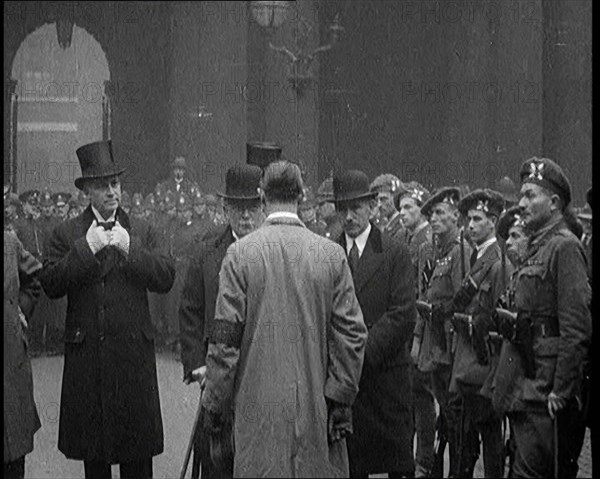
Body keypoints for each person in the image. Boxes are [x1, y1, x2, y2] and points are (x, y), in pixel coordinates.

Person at [201, 161, 367, 477]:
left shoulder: (240, 254)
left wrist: (215, 403)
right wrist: (340, 397)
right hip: (316, 411)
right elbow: (353, 335)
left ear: (262, 196)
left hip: (257, 414)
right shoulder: (331, 255)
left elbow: (224, 341)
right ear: (302, 195)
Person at [39, 140, 175, 479]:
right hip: (89, 366)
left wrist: (131, 250)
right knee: (95, 462)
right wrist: (86, 250)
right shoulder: (67, 233)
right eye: (102, 185)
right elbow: (50, 284)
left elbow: (166, 277)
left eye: (115, 184)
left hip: (133, 365)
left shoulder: (142, 230)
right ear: (87, 190)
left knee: (138, 460)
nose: (112, 192)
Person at [504, 157, 591, 478]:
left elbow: (576, 325)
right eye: (521, 195)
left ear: (554, 203)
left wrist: (562, 390)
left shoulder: (564, 248)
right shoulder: (539, 247)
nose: (521, 203)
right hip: (528, 382)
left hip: (547, 391)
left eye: (530, 196)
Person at [179, 164, 265, 478]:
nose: (246, 216)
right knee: (215, 460)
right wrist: (196, 364)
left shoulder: (272, 252)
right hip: (215, 377)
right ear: (225, 208)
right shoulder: (205, 253)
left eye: (253, 207)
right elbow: (190, 311)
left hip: (259, 375)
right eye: (239, 208)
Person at [331, 170, 417, 478]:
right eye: (343, 208)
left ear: (371, 206)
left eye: (356, 207)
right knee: (348, 466)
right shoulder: (327, 253)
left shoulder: (395, 253)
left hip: (383, 379)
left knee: (390, 464)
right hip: (342, 384)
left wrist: (361, 353)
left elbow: (403, 313)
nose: (350, 216)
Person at [445, 189, 509, 478]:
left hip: (484, 366)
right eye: (469, 219)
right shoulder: (477, 256)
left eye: (477, 219)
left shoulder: (498, 263)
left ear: (492, 222)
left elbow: (498, 318)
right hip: (467, 364)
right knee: (465, 440)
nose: (470, 225)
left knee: (490, 442)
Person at [414, 187, 473, 478]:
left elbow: (462, 302)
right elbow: (424, 292)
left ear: (455, 215)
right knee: (443, 410)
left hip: (449, 344)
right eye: (431, 214)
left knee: (453, 414)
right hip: (432, 342)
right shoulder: (432, 250)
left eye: (440, 213)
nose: (433, 219)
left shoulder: (461, 251)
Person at [397, 182, 436, 478]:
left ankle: (424, 458)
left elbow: (423, 292)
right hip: (408, 324)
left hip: (417, 326)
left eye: (409, 206)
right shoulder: (411, 237)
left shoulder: (425, 242)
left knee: (421, 396)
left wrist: (417, 337)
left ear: (422, 208)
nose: (402, 212)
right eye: (401, 207)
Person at [4, 229, 43, 479]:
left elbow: (33, 280)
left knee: (13, 455)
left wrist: (21, 310)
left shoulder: (9, 242)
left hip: (10, 364)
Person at [370, 173, 405, 241]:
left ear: (396, 198)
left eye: (383, 199)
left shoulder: (402, 227)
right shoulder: (389, 226)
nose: (379, 205)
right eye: (377, 200)